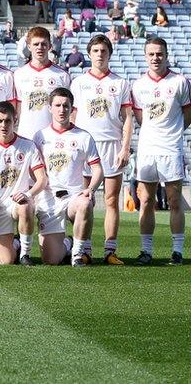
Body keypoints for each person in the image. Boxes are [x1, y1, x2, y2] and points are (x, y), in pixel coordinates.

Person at [69, 34, 133, 265]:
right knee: (86, 200)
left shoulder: (121, 83)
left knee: (111, 199)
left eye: (103, 51)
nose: (99, 55)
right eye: (95, 51)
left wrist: (125, 148)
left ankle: (110, 250)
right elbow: (73, 116)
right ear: (89, 54)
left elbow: (127, 118)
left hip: (112, 145)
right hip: (86, 146)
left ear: (109, 54)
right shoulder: (78, 82)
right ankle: (84, 250)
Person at [130, 38, 190, 265]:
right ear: (145, 56)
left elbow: (188, 113)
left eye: (159, 54)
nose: (156, 58)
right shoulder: (138, 85)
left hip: (171, 148)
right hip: (147, 149)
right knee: (145, 201)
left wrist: (173, 132)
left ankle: (177, 251)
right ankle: (146, 251)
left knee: (175, 201)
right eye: (151, 54)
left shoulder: (180, 82)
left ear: (166, 55)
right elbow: (139, 118)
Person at [0, 101, 54, 266]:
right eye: (0, 121)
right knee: (6, 261)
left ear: (15, 120)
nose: (3, 125)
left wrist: (29, 194)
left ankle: (25, 254)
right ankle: (15, 244)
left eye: (8, 121)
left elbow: (42, 179)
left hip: (18, 203)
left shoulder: (28, 146)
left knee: (26, 206)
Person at [33, 88, 103, 266]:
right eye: (57, 105)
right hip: (49, 199)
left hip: (74, 197)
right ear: (50, 108)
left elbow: (98, 170)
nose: (62, 109)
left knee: (85, 203)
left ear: (72, 109)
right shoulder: (39, 136)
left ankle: (78, 254)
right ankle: (69, 243)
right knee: (51, 260)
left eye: (66, 106)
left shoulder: (83, 136)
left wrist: (90, 189)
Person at [13, 27, 71, 138]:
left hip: (53, 137)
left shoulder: (61, 75)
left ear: (50, 46)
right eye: (36, 44)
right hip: (26, 135)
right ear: (29, 46)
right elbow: (19, 106)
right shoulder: (19, 74)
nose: (40, 48)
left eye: (44, 44)